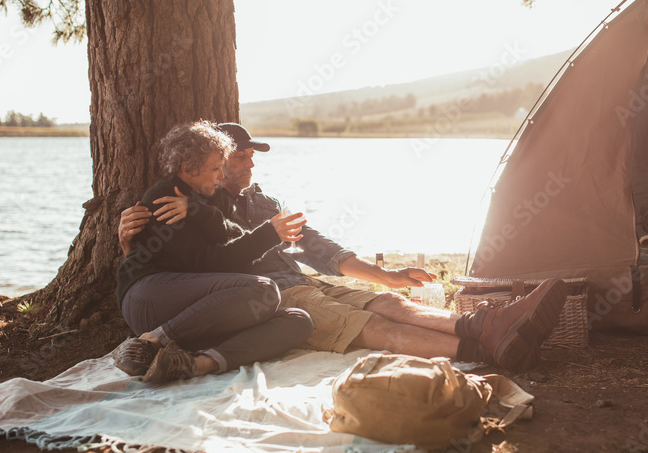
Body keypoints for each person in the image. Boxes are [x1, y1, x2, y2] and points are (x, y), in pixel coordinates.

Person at [119, 123, 569, 369]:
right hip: (275, 295)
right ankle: (486, 349)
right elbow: (195, 259)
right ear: (211, 163)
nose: (249, 161)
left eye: (249, 154)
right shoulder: (199, 200)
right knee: (359, 323)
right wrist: (129, 241)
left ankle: (482, 325)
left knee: (386, 300)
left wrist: (390, 275)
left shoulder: (264, 201)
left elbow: (320, 249)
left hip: (300, 280)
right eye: (239, 156)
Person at [112, 120, 313, 384]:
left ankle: (193, 364)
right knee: (264, 290)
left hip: (199, 311)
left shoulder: (210, 199)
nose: (221, 176)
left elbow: (233, 236)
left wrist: (199, 211)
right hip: (149, 297)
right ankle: (150, 340)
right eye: (215, 168)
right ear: (188, 169)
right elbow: (209, 263)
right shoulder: (165, 198)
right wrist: (269, 234)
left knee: (298, 320)